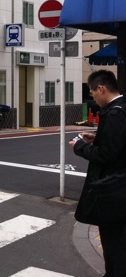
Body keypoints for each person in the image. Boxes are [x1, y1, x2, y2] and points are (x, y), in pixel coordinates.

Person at [70, 70, 126, 276]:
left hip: (114, 188)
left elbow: (106, 155)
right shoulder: (122, 107)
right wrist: (97, 138)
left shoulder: (114, 113)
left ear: (101, 89)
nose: (92, 96)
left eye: (92, 92)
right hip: (121, 185)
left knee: (114, 242)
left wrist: (80, 146)